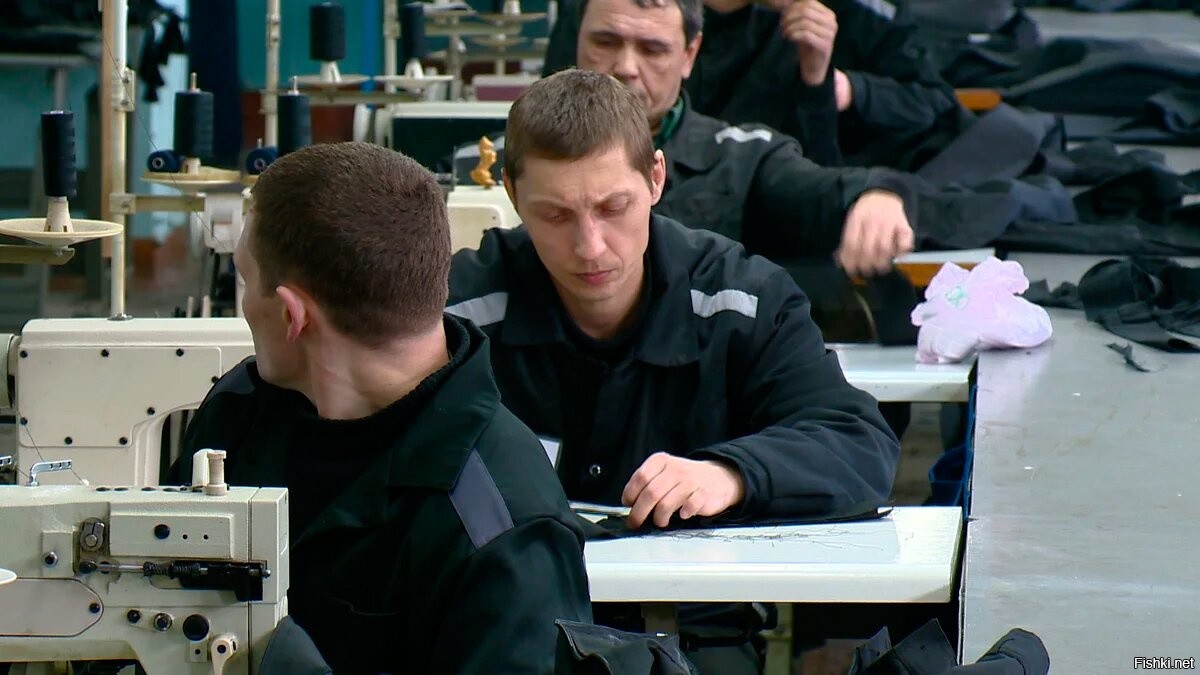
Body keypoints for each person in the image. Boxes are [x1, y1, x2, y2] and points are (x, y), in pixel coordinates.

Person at [448, 68, 899, 674]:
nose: (590, 246)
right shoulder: (457, 314)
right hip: (512, 633)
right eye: (554, 215)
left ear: (656, 177)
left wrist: (732, 473)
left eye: (613, 208)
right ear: (509, 192)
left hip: (698, 635)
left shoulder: (742, 300)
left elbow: (859, 442)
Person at [171, 142, 592, 674]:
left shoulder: (501, 526)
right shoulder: (239, 414)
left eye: (247, 281)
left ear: (293, 316)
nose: (246, 303)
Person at [544, 0, 967, 170]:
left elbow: (936, 105)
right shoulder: (625, 11)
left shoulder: (855, 13)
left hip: (789, 207)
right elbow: (556, 112)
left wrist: (834, 87)